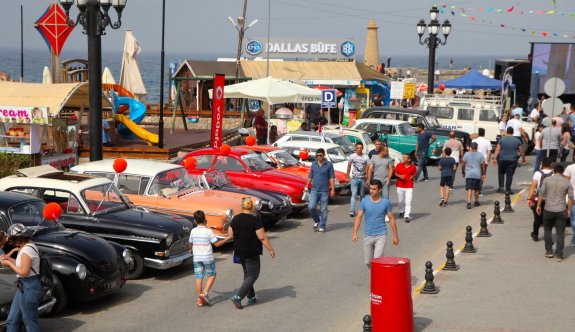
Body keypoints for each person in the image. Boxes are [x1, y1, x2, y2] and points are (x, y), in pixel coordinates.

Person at [227, 197, 276, 309]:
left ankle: (251, 297)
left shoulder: (235, 219)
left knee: (247, 275)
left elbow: (230, 234)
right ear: (252, 207)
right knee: (253, 274)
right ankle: (238, 297)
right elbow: (262, 237)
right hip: (251, 252)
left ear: (242, 206)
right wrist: (271, 250)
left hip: (240, 251)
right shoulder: (255, 220)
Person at [0, 224, 43, 332]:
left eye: (13, 240)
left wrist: (9, 264)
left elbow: (24, 272)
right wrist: (9, 259)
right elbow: (22, 264)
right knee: (12, 319)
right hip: (24, 286)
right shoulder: (28, 245)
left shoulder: (26, 251)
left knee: (30, 324)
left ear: (18, 238)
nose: (12, 243)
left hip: (29, 287)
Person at [352, 180, 399, 268]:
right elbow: (359, 217)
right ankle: (377, 275)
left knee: (377, 260)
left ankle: (378, 279)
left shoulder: (385, 202)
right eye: (370, 189)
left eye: (374, 189)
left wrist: (395, 236)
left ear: (379, 190)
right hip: (368, 235)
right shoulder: (364, 201)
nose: (371, 191)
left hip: (381, 235)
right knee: (367, 262)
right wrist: (355, 233)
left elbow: (391, 218)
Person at [188, 210, 227, 307]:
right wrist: (227, 238)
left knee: (198, 276)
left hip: (197, 257)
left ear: (195, 221)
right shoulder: (209, 231)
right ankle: (204, 293)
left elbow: (190, 243)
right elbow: (217, 244)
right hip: (207, 257)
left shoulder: (193, 231)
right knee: (212, 274)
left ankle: (200, 298)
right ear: (205, 220)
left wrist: (190, 250)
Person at [536, 164, 573, 262]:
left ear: (554, 171)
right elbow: (570, 198)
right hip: (561, 210)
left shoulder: (547, 180)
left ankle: (549, 252)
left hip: (548, 209)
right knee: (560, 233)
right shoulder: (567, 182)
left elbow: (541, 194)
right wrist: (569, 209)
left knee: (547, 230)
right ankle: (559, 255)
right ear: (562, 172)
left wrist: (538, 206)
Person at [304, 148, 336, 232]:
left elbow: (331, 177)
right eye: (317, 155)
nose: (319, 157)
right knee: (311, 207)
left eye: (320, 155)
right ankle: (317, 220)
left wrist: (332, 189)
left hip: (324, 190)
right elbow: (310, 176)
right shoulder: (314, 164)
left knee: (323, 209)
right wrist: (306, 186)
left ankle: (322, 225)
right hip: (314, 189)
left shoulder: (329, 165)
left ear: (324, 155)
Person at [527, 157, 554, 242]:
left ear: (542, 164)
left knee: (537, 219)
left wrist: (529, 198)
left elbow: (533, 186)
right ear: (551, 164)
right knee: (549, 220)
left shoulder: (537, 173)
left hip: (538, 199)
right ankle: (548, 238)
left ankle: (535, 234)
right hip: (551, 200)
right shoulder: (554, 174)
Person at [493, 127, 525, 194]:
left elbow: (497, 150)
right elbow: (521, 150)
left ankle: (501, 188)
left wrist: (495, 158)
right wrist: (523, 159)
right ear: (513, 132)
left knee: (501, 173)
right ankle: (508, 189)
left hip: (502, 159)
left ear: (507, 132)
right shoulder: (517, 140)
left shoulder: (501, 140)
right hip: (512, 159)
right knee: (509, 175)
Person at [347, 142, 370, 217]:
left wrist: (367, 178)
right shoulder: (352, 156)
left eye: (360, 148)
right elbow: (349, 166)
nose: (359, 149)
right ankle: (352, 210)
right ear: (356, 148)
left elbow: (368, 167)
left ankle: (362, 209)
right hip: (354, 178)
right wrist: (347, 175)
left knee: (362, 195)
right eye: (358, 148)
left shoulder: (366, 157)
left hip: (362, 178)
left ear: (362, 148)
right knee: (354, 194)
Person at [461, 142, 486, 209]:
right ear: (477, 147)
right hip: (477, 174)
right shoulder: (480, 154)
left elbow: (463, 164)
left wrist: (463, 172)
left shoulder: (466, 154)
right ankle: (476, 201)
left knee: (469, 189)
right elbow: (483, 164)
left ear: (471, 147)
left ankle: (469, 203)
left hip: (469, 174)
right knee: (477, 189)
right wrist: (483, 173)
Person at [395, 154, 417, 223]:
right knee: (400, 201)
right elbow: (395, 173)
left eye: (405, 157)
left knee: (408, 201)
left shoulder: (413, 167)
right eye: (403, 157)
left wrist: (413, 176)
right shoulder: (399, 165)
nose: (403, 158)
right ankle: (401, 211)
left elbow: (414, 174)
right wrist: (399, 176)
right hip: (400, 186)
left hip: (409, 186)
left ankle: (407, 215)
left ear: (409, 159)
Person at [473, 128, 492, 195]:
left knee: (475, 174)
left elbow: (471, 150)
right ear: (484, 134)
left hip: (475, 160)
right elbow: (489, 152)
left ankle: (475, 187)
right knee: (482, 174)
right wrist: (488, 160)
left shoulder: (474, 140)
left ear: (478, 133)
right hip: (484, 160)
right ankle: (479, 190)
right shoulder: (487, 141)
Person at [563, 162, 575, 246]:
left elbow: (565, 183)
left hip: (572, 196)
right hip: (572, 196)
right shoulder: (569, 168)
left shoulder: (569, 168)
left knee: (573, 219)